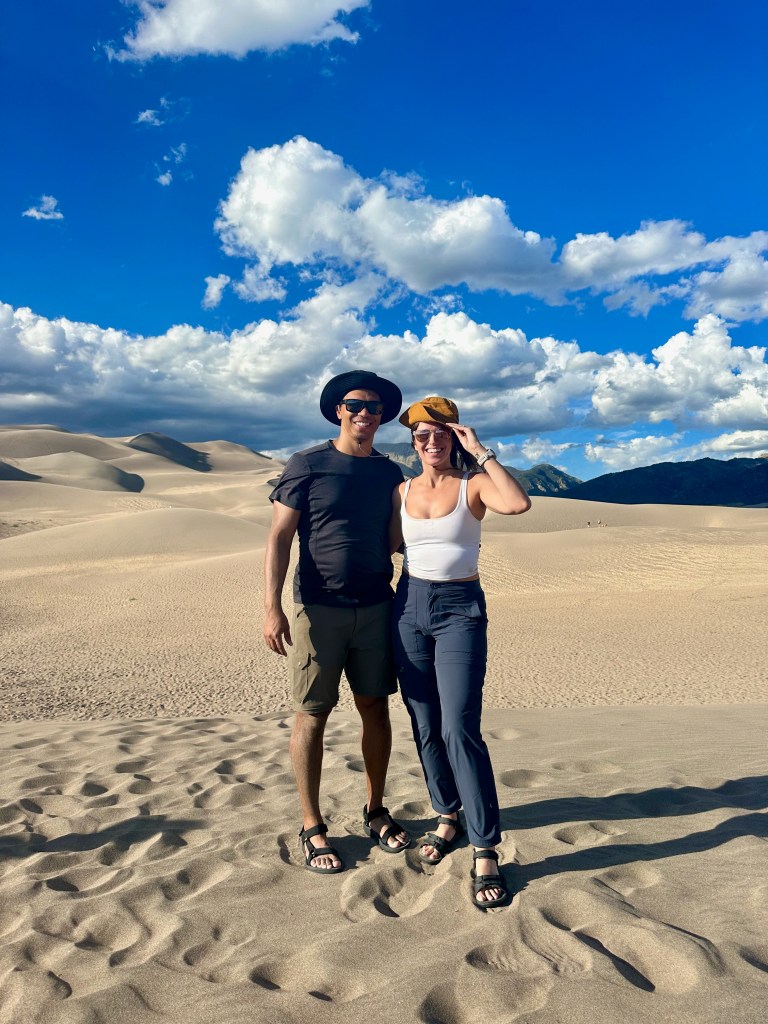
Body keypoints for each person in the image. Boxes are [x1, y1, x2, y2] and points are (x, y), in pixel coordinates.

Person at [264, 370, 410, 874]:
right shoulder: (307, 464)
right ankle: (312, 823)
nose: (365, 414)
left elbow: (396, 536)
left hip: (375, 606)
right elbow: (280, 537)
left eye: (374, 408)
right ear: (337, 410)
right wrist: (271, 606)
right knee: (313, 713)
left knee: (375, 707)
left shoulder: (390, 473)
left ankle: (375, 810)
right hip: (317, 608)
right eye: (355, 405)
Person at [390, 396, 531, 908]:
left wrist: (482, 451)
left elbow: (517, 504)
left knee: (459, 726)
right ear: (412, 444)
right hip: (407, 606)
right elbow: (384, 543)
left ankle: (485, 846)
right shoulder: (401, 491)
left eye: (440, 434)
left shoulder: (473, 485)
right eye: (421, 436)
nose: (431, 443)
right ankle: (447, 815)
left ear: (455, 437)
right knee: (424, 723)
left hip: (458, 610)